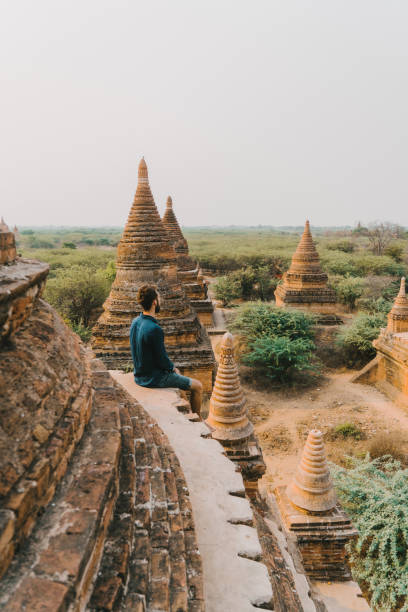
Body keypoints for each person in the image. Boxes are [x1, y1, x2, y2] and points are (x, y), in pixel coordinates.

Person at [130, 285, 203, 415]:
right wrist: (172, 368)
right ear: (154, 302)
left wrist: (173, 370)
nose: (160, 301)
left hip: (139, 375)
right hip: (153, 378)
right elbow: (162, 360)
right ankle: (198, 419)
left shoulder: (135, 322)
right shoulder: (154, 329)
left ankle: (189, 412)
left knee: (177, 375)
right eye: (159, 298)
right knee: (198, 386)